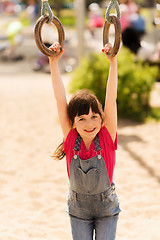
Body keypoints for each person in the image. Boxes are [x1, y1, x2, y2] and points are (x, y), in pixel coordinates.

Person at [48, 42, 121, 240]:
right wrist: (53, 63)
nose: (89, 123)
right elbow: (59, 99)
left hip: (107, 209)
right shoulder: (70, 138)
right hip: (79, 211)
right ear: (73, 122)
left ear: (102, 118)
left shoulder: (106, 136)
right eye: (82, 119)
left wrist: (112, 63)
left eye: (94, 116)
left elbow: (111, 98)